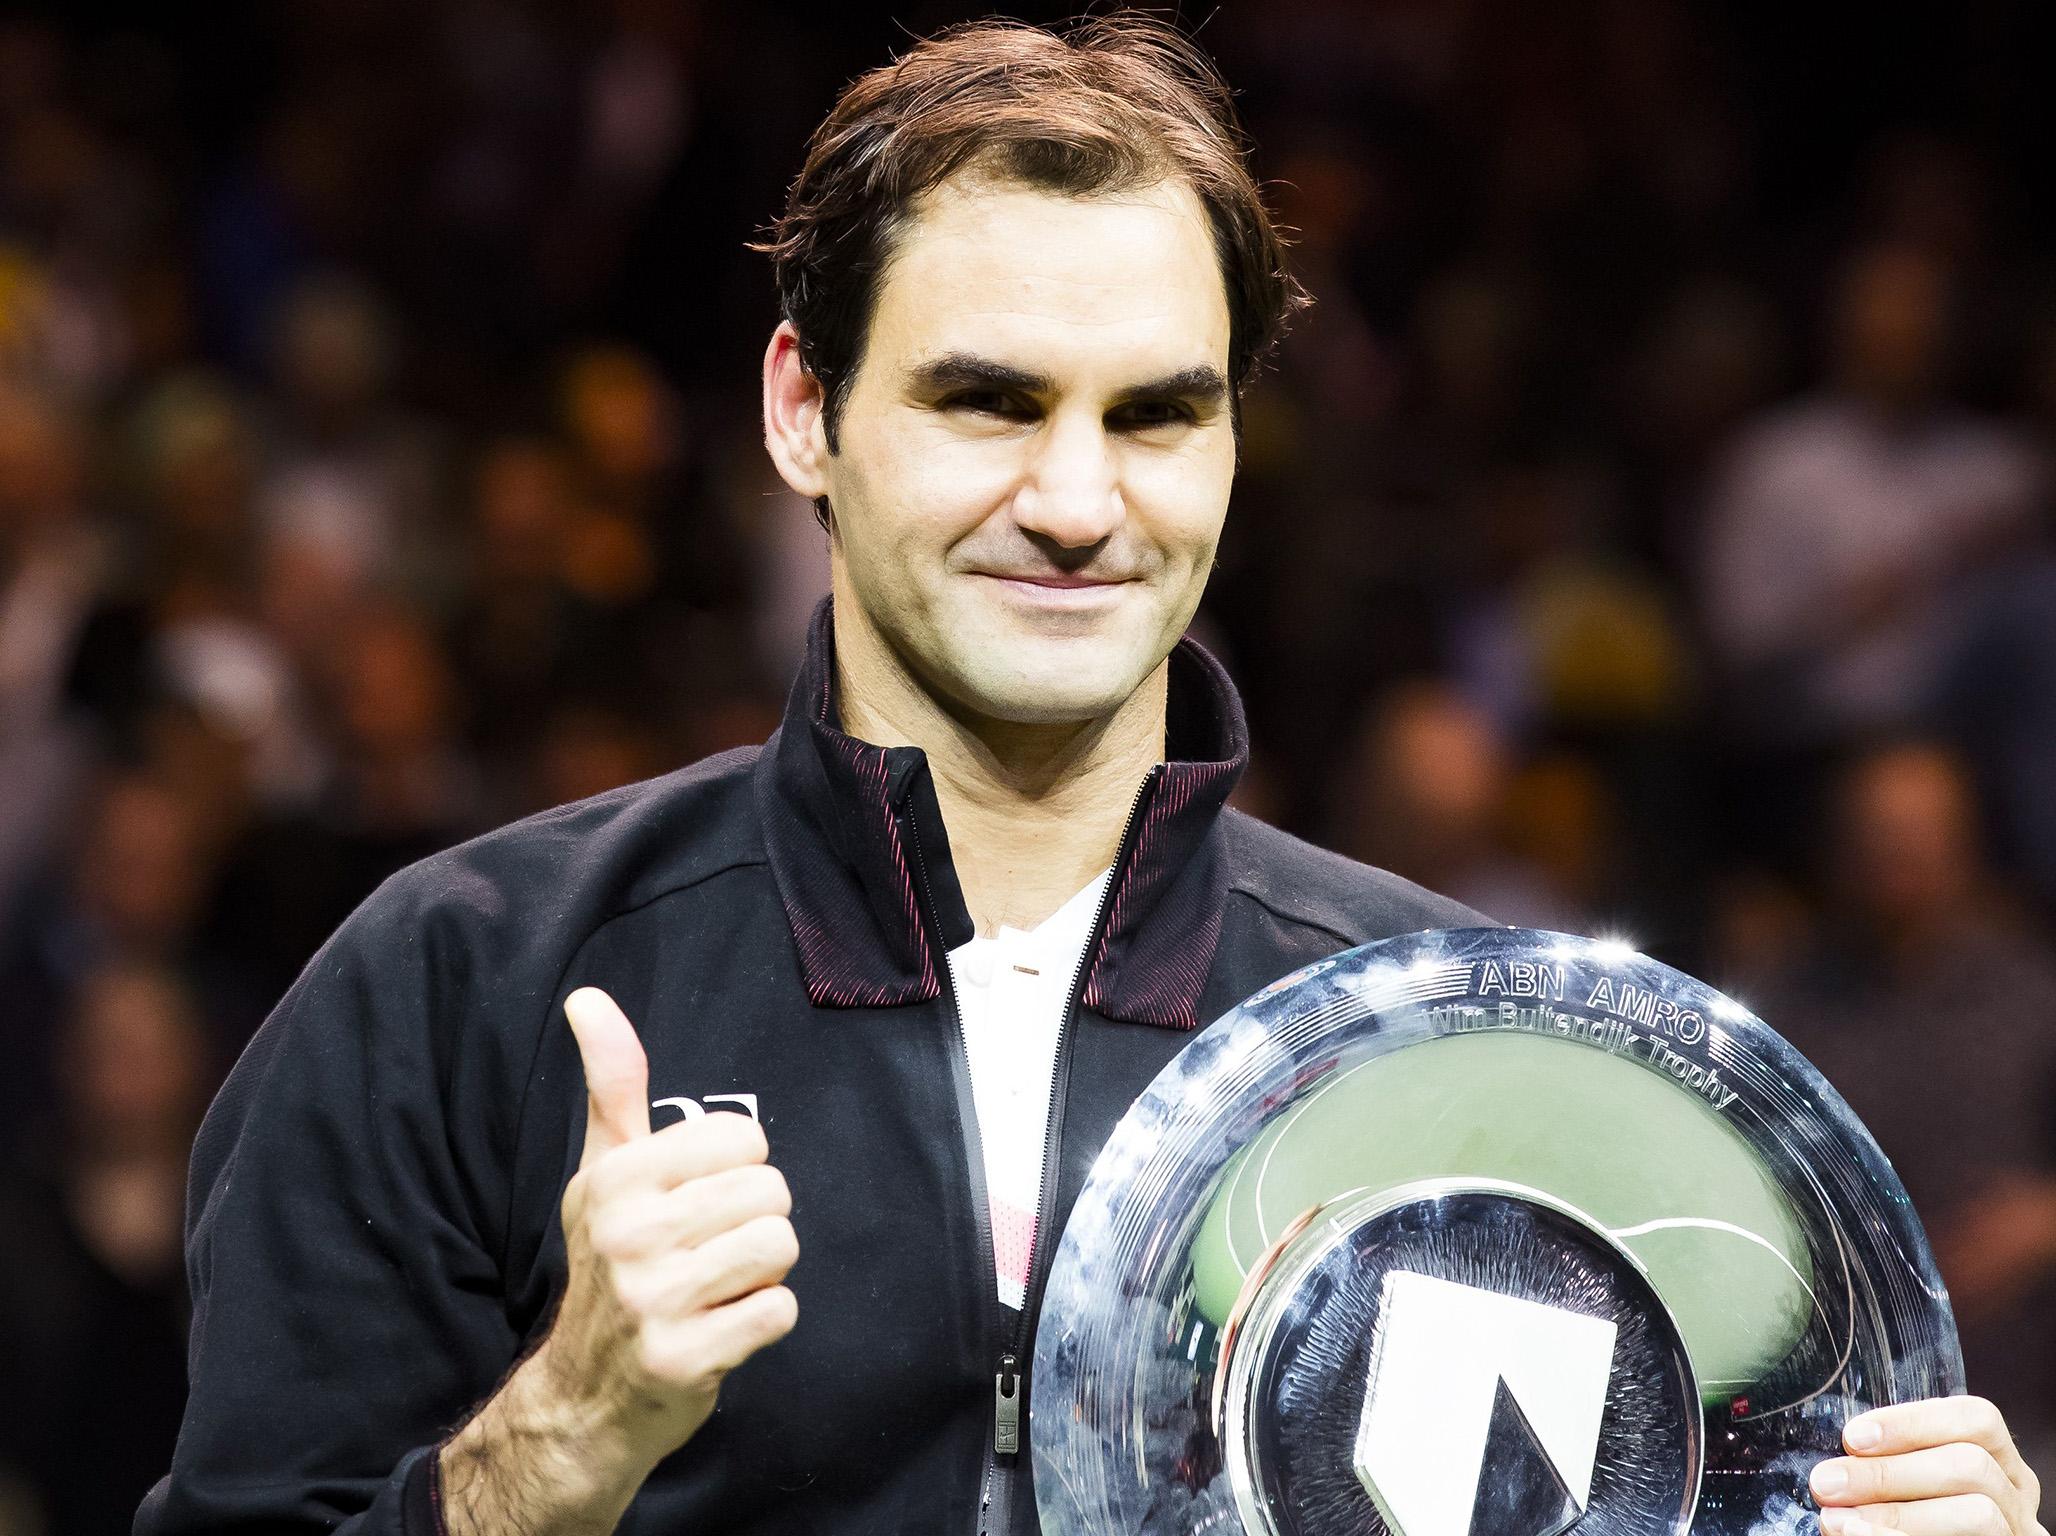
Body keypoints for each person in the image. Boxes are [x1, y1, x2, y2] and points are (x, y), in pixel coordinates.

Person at [140, 16, 2047, 1536]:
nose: (1074, 502)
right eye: (986, 401)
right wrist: (553, 1453)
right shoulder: (465, 985)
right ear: (804, 409)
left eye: (1156, 413)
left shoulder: (1474, 1060)